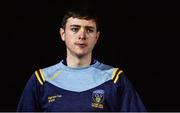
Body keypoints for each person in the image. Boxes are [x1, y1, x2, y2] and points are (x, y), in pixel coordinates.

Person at [17, 6, 146, 112]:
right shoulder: (41, 80)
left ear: (96, 37)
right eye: (75, 29)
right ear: (63, 34)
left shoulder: (115, 78)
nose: (82, 36)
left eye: (89, 30)